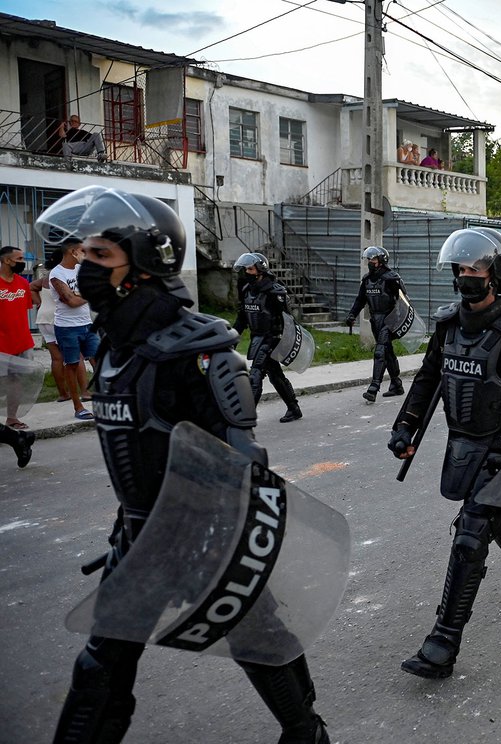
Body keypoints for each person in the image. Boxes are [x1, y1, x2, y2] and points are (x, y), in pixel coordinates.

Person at [39, 186, 330, 743]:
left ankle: (305, 732)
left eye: (101, 256)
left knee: (259, 640)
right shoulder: (117, 347)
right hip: (138, 538)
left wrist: (224, 543)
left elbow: (244, 463)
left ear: (144, 264)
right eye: (86, 254)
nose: (87, 268)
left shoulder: (201, 351)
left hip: (207, 539)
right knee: (99, 671)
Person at [389, 226, 501, 679]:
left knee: (471, 532)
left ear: (496, 274)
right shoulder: (447, 325)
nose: (467, 276)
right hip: (461, 443)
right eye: (461, 268)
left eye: (476, 268)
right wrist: (405, 426)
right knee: (497, 519)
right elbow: (427, 380)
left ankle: (443, 641)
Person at [233, 252, 303, 422]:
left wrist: (286, 343)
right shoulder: (246, 290)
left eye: (250, 269)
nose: (246, 272)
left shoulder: (275, 291)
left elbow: (288, 319)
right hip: (257, 338)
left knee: (255, 374)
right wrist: (232, 337)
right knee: (275, 375)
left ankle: (245, 417)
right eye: (245, 269)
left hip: (272, 338)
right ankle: (294, 409)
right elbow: (242, 318)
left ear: (260, 270)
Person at [346, 246, 407, 402]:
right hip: (376, 320)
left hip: (389, 320)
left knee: (380, 351)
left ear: (381, 261)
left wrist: (398, 320)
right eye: (369, 259)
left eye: (373, 259)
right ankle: (396, 384)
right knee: (387, 352)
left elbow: (403, 301)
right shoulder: (367, 280)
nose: (370, 262)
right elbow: (360, 300)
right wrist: (352, 314)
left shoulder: (392, 278)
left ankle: (374, 388)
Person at [49, 238, 99, 420]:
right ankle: (78, 407)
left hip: (87, 323)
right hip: (67, 327)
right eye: (83, 250)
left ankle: (104, 399)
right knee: (71, 365)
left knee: (99, 360)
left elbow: (95, 290)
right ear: (73, 252)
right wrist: (85, 294)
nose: (86, 254)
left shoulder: (81, 270)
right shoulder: (56, 274)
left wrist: (81, 294)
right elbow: (70, 301)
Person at [0, 245, 36, 430]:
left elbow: (24, 310)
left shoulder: (23, 283)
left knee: (16, 381)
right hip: (1, 344)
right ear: (7, 260)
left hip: (22, 340)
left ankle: (12, 418)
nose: (22, 263)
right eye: (19, 259)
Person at [29, 249, 71, 402]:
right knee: (73, 358)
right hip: (58, 319)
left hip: (43, 319)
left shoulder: (46, 277)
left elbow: (31, 286)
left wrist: (39, 303)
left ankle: (63, 393)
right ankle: (78, 391)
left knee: (56, 359)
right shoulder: (61, 274)